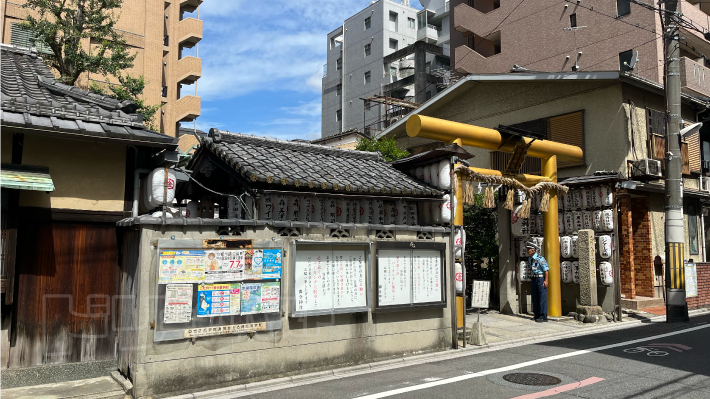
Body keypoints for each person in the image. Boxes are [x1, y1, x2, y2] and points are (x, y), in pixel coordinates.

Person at [526, 241, 549, 322]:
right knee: (535, 297)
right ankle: (537, 315)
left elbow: (546, 270)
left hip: (540, 278)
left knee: (542, 297)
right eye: (527, 249)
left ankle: (543, 316)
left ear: (534, 250)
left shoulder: (540, 259)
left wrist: (546, 280)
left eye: (529, 249)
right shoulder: (530, 259)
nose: (527, 250)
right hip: (534, 278)